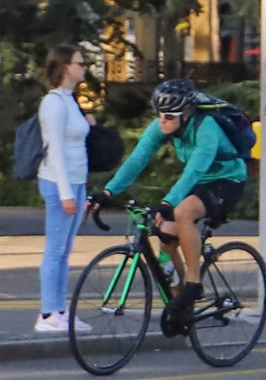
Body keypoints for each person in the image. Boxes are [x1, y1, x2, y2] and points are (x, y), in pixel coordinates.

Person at [101, 78, 247, 335]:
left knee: (182, 212)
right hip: (199, 182)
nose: (162, 120)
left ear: (186, 113)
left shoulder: (207, 127)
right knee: (165, 235)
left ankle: (193, 283)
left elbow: (196, 168)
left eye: (168, 115)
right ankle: (182, 306)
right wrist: (108, 191)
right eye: (158, 114)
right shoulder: (164, 125)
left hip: (227, 180)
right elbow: (138, 158)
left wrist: (169, 201)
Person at [34, 45, 95, 334]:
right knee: (55, 249)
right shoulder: (54, 102)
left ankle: (60, 310)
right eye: (79, 63)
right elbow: (55, 149)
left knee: (65, 251)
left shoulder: (70, 100)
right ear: (64, 67)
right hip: (60, 182)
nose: (84, 68)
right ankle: (47, 313)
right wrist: (65, 193)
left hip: (77, 181)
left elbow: (76, 138)